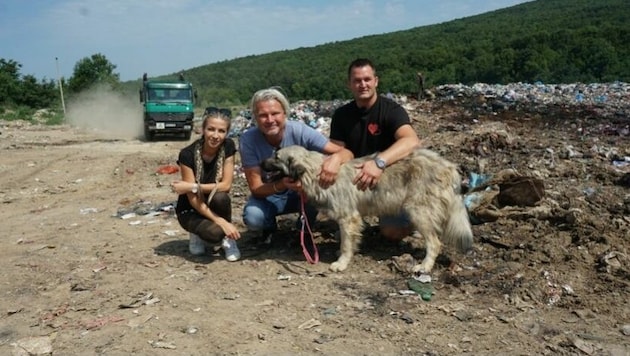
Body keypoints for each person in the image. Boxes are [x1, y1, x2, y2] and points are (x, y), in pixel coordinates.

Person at [239, 87, 352, 246]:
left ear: (285, 113)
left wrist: (336, 159)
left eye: (275, 113)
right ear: (255, 118)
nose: (270, 120)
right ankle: (269, 228)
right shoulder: (248, 140)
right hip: (270, 195)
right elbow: (256, 188)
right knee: (253, 217)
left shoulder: (301, 131)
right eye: (263, 115)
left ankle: (305, 229)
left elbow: (347, 154)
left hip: (303, 196)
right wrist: (281, 185)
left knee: (315, 189)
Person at [330, 58, 422, 241]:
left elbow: (411, 141)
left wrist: (379, 163)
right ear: (349, 84)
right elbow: (338, 151)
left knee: (392, 232)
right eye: (357, 80)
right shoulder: (341, 116)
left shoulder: (391, 110)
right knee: (340, 229)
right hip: (356, 181)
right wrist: (334, 160)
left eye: (367, 79)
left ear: (376, 81)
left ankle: (415, 221)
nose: (362, 84)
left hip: (391, 182)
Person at [171, 111, 241, 261]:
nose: (215, 136)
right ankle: (196, 233)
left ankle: (229, 240)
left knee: (221, 197)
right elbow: (193, 199)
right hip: (191, 208)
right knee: (215, 233)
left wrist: (193, 187)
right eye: (211, 129)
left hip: (214, 202)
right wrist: (221, 222)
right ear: (203, 130)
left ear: (227, 133)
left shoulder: (228, 147)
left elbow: (226, 185)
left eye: (221, 131)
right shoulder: (187, 154)